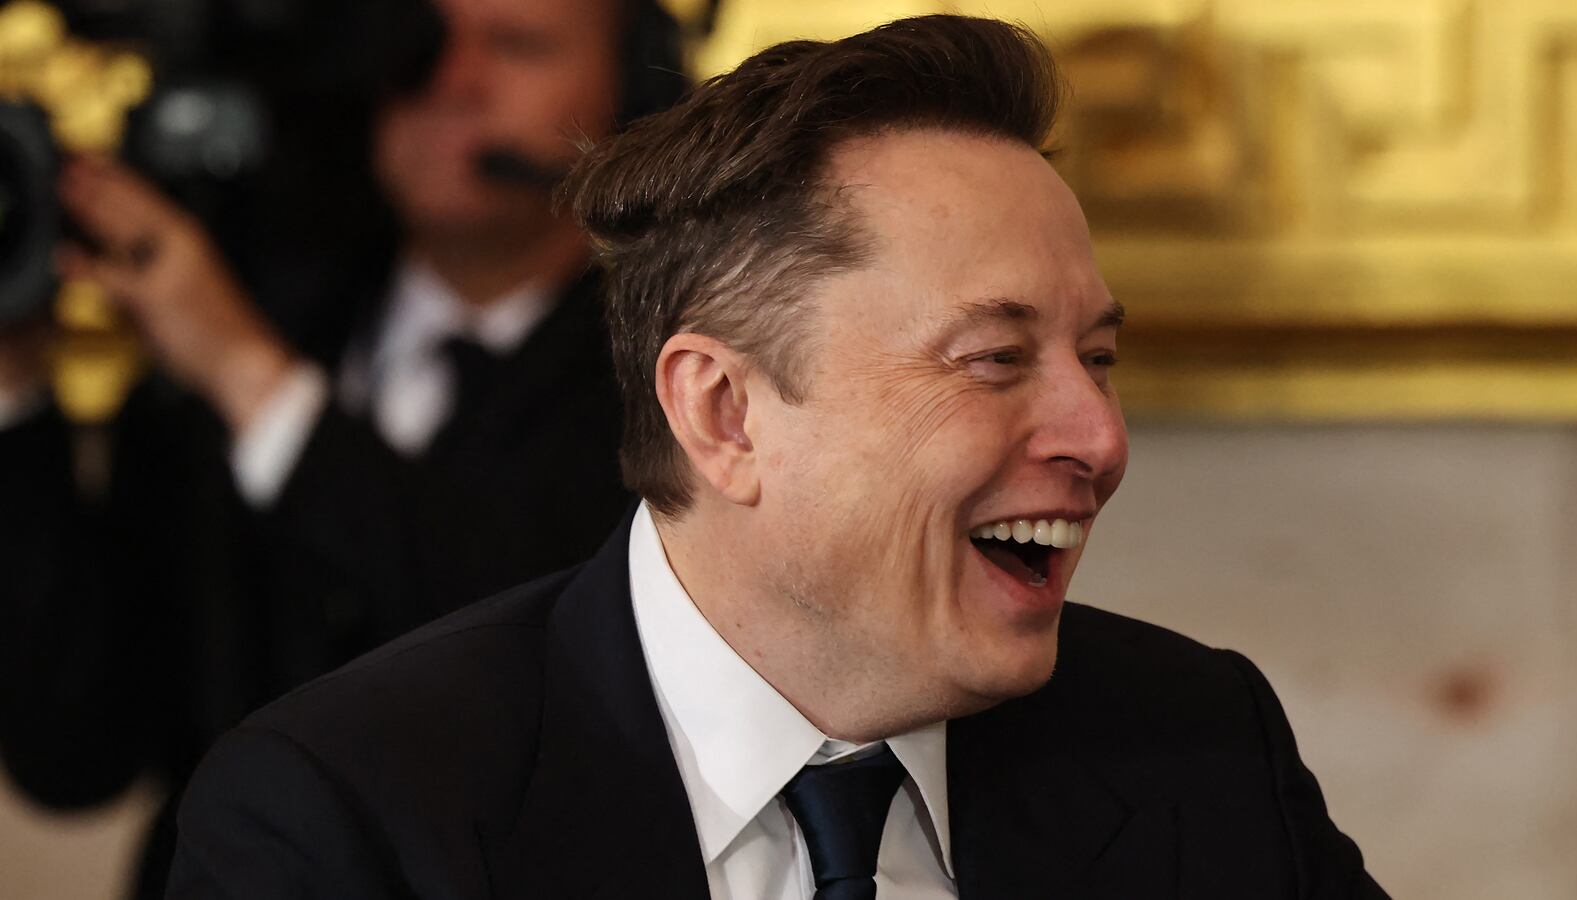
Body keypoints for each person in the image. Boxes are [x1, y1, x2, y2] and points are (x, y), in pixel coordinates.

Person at [167, 14, 1389, 900]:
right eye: (994, 360)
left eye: (1099, 358)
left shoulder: (1197, 748)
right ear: (724, 413)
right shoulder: (347, 819)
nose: (1098, 439)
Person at [0, 1, 684, 897]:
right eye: (419, 38)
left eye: (518, 45)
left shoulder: (677, 384)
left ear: (636, 94)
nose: (452, 80)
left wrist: (256, 385)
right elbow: (76, 752)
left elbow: (574, 681)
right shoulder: (247, 318)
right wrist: (15, 384)